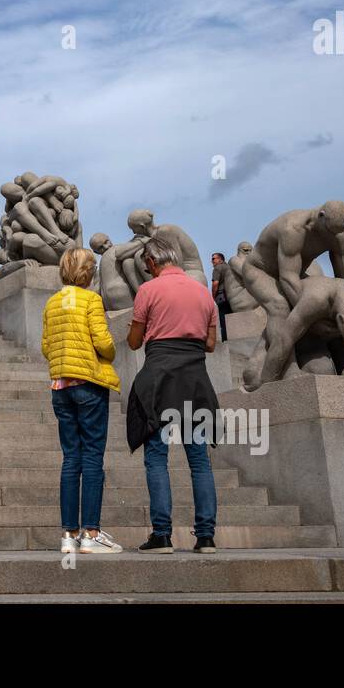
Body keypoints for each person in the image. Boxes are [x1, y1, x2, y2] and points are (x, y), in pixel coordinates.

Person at [126, 237, 220, 554]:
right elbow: (210, 344)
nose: (146, 270)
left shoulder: (148, 291)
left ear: (152, 262)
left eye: (145, 266)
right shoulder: (203, 293)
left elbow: (135, 342)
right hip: (195, 380)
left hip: (160, 381)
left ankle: (162, 535)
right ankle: (206, 537)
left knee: (156, 459)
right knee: (200, 462)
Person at [41, 247, 122, 554]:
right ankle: (91, 532)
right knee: (92, 457)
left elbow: (46, 346)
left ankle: (68, 535)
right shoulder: (91, 300)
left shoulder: (52, 302)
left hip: (60, 386)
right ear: (88, 273)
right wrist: (110, 351)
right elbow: (103, 342)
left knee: (70, 458)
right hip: (88, 384)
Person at [210, 252, 230, 340]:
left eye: (214, 259)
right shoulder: (229, 267)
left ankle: (225, 339)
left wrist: (212, 297)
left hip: (222, 296)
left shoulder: (218, 268)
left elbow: (215, 284)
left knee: (223, 319)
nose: (212, 261)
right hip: (231, 296)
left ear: (220, 259)